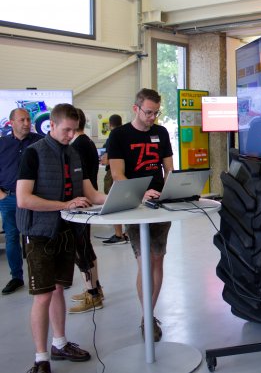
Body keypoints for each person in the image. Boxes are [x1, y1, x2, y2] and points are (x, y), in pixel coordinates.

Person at [16, 103, 106, 373]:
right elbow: (23, 198)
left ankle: (60, 343)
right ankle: (40, 359)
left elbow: (90, 194)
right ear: (51, 126)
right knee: (43, 295)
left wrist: (129, 197)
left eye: (74, 130)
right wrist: (64, 204)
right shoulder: (33, 154)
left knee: (58, 290)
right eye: (66, 129)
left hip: (66, 231)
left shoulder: (74, 154)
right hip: (40, 233)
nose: (70, 135)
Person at [107, 89, 173, 342]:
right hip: (134, 206)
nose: (152, 117)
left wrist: (170, 190)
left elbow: (169, 169)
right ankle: (147, 315)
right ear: (135, 108)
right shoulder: (119, 135)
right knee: (144, 261)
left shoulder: (162, 133)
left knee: (158, 259)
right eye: (148, 112)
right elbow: (117, 175)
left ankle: (149, 314)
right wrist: (141, 195)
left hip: (160, 205)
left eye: (156, 112)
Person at [0, 108, 42, 295]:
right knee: (11, 237)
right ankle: (16, 277)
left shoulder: (39, 141)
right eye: (22, 120)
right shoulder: (2, 143)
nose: (26, 123)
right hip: (8, 197)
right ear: (11, 122)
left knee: (36, 236)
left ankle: (40, 275)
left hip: (34, 198)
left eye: (28, 119)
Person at [68, 108, 104, 313]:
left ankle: (93, 293)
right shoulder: (86, 143)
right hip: (85, 201)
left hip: (82, 203)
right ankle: (94, 289)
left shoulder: (78, 146)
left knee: (81, 250)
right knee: (85, 247)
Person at [100, 114, 127, 245]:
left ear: (110, 125)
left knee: (112, 202)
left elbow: (108, 158)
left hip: (113, 173)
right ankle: (127, 232)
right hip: (125, 173)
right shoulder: (126, 134)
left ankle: (118, 234)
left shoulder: (113, 136)